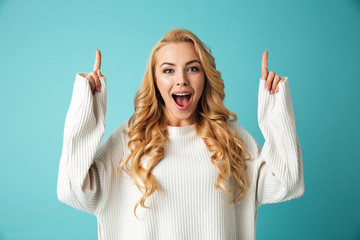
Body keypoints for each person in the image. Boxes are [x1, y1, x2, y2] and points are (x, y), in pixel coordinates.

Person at [57, 28, 304, 240]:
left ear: (205, 78)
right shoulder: (130, 138)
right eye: (168, 71)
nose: (181, 80)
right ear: (154, 80)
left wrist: (275, 108)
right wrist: (85, 106)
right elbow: (71, 190)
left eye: (193, 68)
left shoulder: (230, 138)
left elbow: (288, 183)